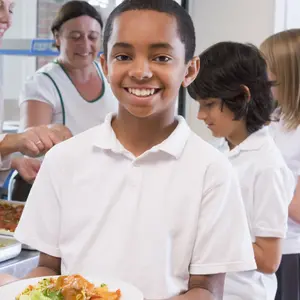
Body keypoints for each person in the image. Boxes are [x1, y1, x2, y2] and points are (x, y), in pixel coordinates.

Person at [7, 1, 256, 299]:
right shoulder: (64, 160)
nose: (140, 72)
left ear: (189, 70)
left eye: (161, 57)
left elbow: (205, 289)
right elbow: (48, 269)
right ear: (105, 65)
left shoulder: (212, 171)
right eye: (124, 56)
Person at [187, 41, 294, 300]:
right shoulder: (217, 150)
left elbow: (269, 260)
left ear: (243, 97)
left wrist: (209, 229)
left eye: (210, 104)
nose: (201, 115)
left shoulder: (267, 167)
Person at [0, 0, 72, 187]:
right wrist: (14, 141)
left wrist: (14, 161)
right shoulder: (42, 81)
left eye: (11, 9)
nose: (7, 19)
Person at [19, 0, 117, 136]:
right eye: (75, 37)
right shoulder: (41, 84)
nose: (85, 44)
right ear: (57, 37)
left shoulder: (110, 74)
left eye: (92, 37)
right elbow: (32, 146)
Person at [260, 29, 300, 300]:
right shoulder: (272, 118)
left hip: (291, 250)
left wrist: (263, 185)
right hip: (260, 245)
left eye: (269, 75)